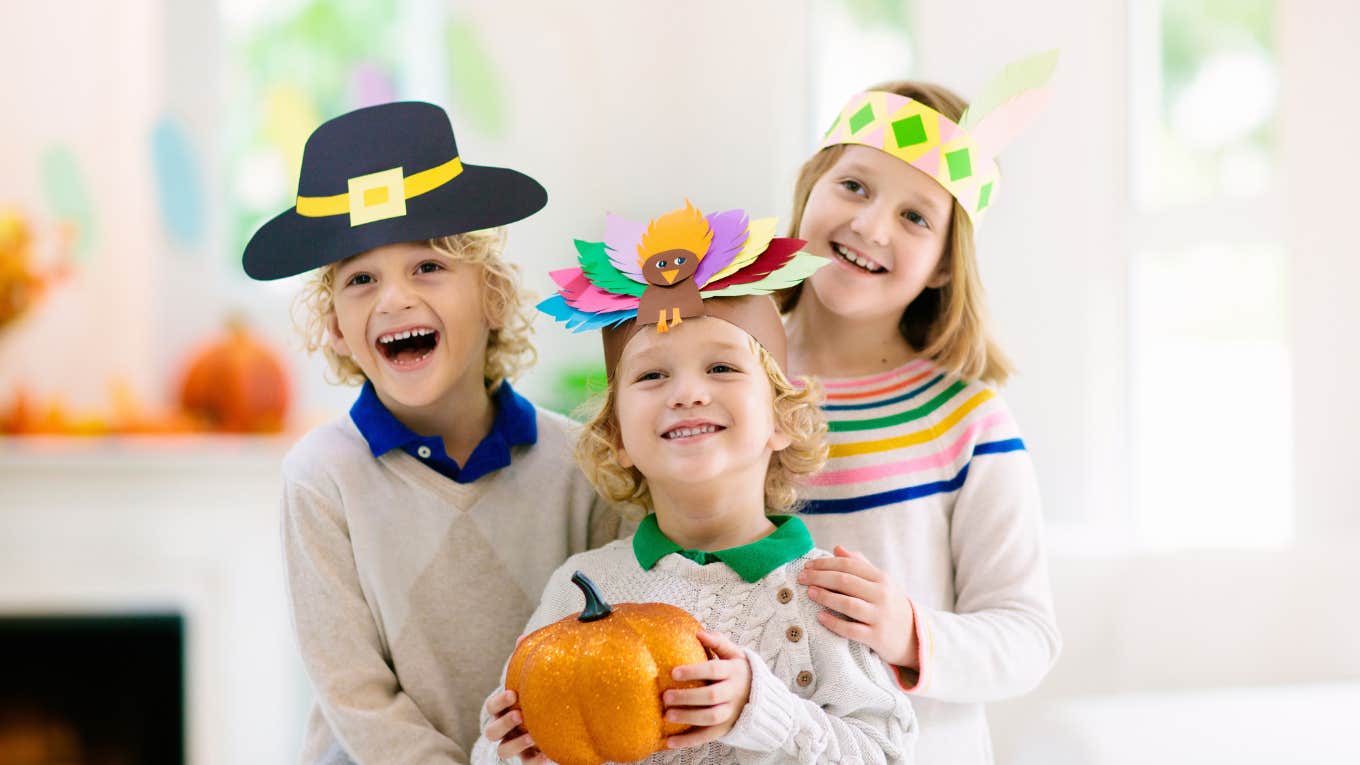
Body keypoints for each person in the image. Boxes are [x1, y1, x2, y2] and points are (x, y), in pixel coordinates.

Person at [242, 101, 621, 763]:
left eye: (428, 267)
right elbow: (352, 687)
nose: (393, 298)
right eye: (361, 279)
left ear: (494, 297)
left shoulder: (580, 468)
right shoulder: (322, 477)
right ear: (334, 326)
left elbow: (607, 646)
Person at [477, 203, 916, 764]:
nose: (687, 392)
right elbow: (497, 752)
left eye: (722, 368)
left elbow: (889, 753)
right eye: (653, 374)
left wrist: (761, 711)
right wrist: (513, 752)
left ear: (781, 418)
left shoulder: (825, 596)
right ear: (618, 437)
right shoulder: (580, 590)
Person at [777, 52, 1064, 763]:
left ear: (942, 261)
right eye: (853, 186)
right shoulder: (723, 374)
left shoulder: (965, 420)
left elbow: (1027, 636)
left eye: (914, 215)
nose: (872, 227)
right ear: (811, 191)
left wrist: (908, 629)